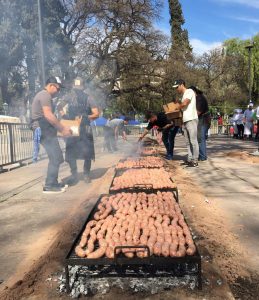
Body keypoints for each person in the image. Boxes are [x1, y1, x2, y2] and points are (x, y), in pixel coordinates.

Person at [31, 76, 72, 193]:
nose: (58, 92)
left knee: (56, 156)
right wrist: (63, 129)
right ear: (51, 85)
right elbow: (48, 115)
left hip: (46, 128)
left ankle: (53, 182)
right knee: (56, 157)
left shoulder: (46, 96)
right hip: (42, 128)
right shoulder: (45, 95)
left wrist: (60, 130)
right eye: (58, 89)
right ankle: (49, 186)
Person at [59, 77, 99, 185]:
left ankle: (86, 174)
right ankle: (74, 174)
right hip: (73, 126)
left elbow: (96, 113)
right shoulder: (68, 96)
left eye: (78, 88)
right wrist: (66, 117)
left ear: (82, 87)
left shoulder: (89, 98)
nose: (77, 90)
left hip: (85, 127)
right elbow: (59, 107)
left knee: (87, 152)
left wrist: (86, 117)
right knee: (71, 151)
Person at [173, 79, 199, 167]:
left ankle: (195, 160)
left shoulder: (189, 91)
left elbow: (185, 103)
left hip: (191, 119)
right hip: (186, 120)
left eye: (177, 87)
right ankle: (190, 158)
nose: (176, 89)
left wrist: (176, 107)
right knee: (188, 142)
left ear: (181, 85)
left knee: (193, 141)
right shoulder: (184, 94)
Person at [189, 86, 210, 161]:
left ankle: (202, 156)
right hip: (201, 120)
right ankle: (201, 155)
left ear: (194, 92)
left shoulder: (200, 98)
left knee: (200, 138)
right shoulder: (196, 98)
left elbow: (198, 112)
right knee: (199, 138)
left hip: (203, 120)